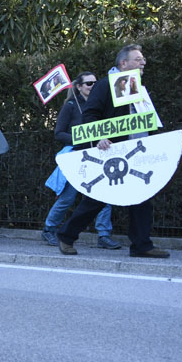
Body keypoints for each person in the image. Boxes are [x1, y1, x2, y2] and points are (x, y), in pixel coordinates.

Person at [57, 44, 169, 258]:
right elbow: (90, 114)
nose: (143, 62)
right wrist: (99, 136)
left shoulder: (136, 87)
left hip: (135, 152)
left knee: (142, 197)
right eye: (138, 59)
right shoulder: (105, 85)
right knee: (96, 200)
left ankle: (141, 245)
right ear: (123, 63)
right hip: (112, 152)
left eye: (143, 59)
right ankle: (66, 235)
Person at [40, 72, 119, 249]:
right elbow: (59, 133)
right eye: (89, 83)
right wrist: (81, 139)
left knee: (102, 197)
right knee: (67, 198)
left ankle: (104, 235)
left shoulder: (101, 106)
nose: (93, 86)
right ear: (79, 87)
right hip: (77, 157)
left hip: (98, 158)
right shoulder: (70, 106)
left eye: (95, 83)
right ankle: (49, 229)